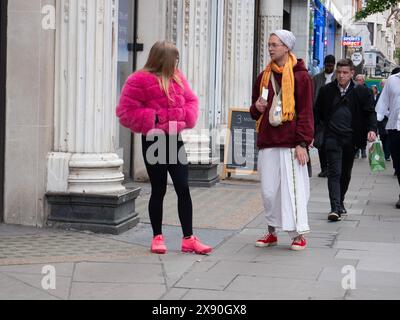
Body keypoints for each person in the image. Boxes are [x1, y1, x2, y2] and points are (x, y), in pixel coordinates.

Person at [116, 41, 212, 255]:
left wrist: (183, 117)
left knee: (183, 186)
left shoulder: (177, 76)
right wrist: (155, 118)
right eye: (174, 59)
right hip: (155, 140)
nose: (177, 62)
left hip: (174, 140)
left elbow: (191, 102)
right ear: (163, 59)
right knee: (158, 189)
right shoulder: (138, 80)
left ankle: (188, 238)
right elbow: (125, 112)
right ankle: (157, 237)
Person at [250, 30, 314, 251]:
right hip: (268, 140)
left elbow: (306, 112)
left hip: (290, 143)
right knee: (269, 191)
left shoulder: (301, 76)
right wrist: (255, 108)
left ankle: (297, 234)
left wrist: (302, 143)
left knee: (292, 191)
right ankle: (271, 231)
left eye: (275, 44)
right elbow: (254, 110)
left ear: (287, 47)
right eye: (269, 44)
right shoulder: (263, 77)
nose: (270, 48)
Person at [315, 59, 377, 222]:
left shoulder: (362, 92)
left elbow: (370, 113)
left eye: (345, 73)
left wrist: (371, 129)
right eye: (339, 72)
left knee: (345, 173)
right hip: (332, 138)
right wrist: (315, 133)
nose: (341, 76)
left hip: (351, 138)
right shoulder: (326, 91)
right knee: (334, 172)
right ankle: (335, 207)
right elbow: (318, 114)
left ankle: (340, 200)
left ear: (352, 74)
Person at [376, 67, 400, 209]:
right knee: (398, 163)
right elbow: (383, 101)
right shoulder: (392, 80)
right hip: (394, 127)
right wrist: (375, 124)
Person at [313, 55, 336, 178]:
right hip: (320, 117)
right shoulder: (317, 78)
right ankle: (324, 168)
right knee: (320, 144)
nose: (329, 67)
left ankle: (331, 168)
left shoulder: (338, 78)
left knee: (331, 144)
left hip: (334, 118)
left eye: (331, 66)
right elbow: (312, 96)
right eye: (327, 65)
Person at [354, 74, 371, 159]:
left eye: (360, 80)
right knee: (356, 134)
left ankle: (363, 150)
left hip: (364, 116)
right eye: (357, 80)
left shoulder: (368, 90)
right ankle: (356, 151)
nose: (358, 82)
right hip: (356, 117)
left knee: (363, 134)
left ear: (363, 81)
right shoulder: (353, 90)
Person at [373, 85, 391, 161]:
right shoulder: (379, 95)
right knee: (383, 137)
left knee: (388, 137)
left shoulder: (391, 93)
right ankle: (385, 152)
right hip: (381, 119)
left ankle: (387, 154)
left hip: (389, 118)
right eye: (383, 85)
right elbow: (376, 106)